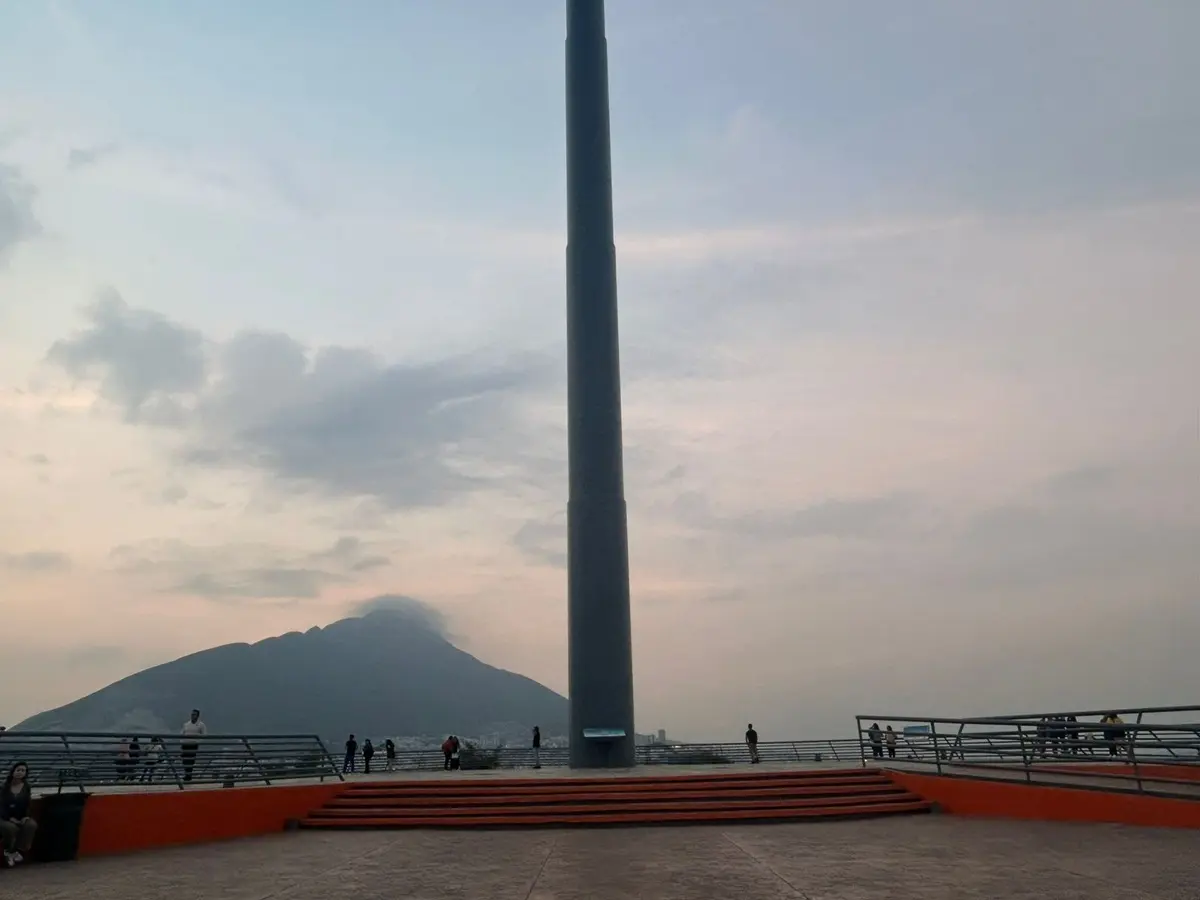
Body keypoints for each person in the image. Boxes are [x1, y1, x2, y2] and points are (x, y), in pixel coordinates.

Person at [1, 761, 37, 867]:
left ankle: (19, 849)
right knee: (11, 828)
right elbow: (1, 806)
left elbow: (28, 804)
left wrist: (26, 816)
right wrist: (9, 818)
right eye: (18, 770)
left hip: (20, 816)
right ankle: (9, 851)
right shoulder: (4, 787)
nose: (20, 772)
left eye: (23, 771)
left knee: (31, 825)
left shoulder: (26, 787)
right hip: (4, 817)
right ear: (13, 771)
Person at [181, 709, 206, 783]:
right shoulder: (186, 724)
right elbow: (182, 733)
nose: (192, 716)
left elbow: (204, 735)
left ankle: (189, 775)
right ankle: (186, 774)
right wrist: (182, 741)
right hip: (185, 744)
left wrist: (197, 741)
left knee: (190, 761)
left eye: (194, 714)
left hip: (193, 745)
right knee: (185, 760)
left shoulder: (201, 725)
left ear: (197, 716)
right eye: (192, 714)